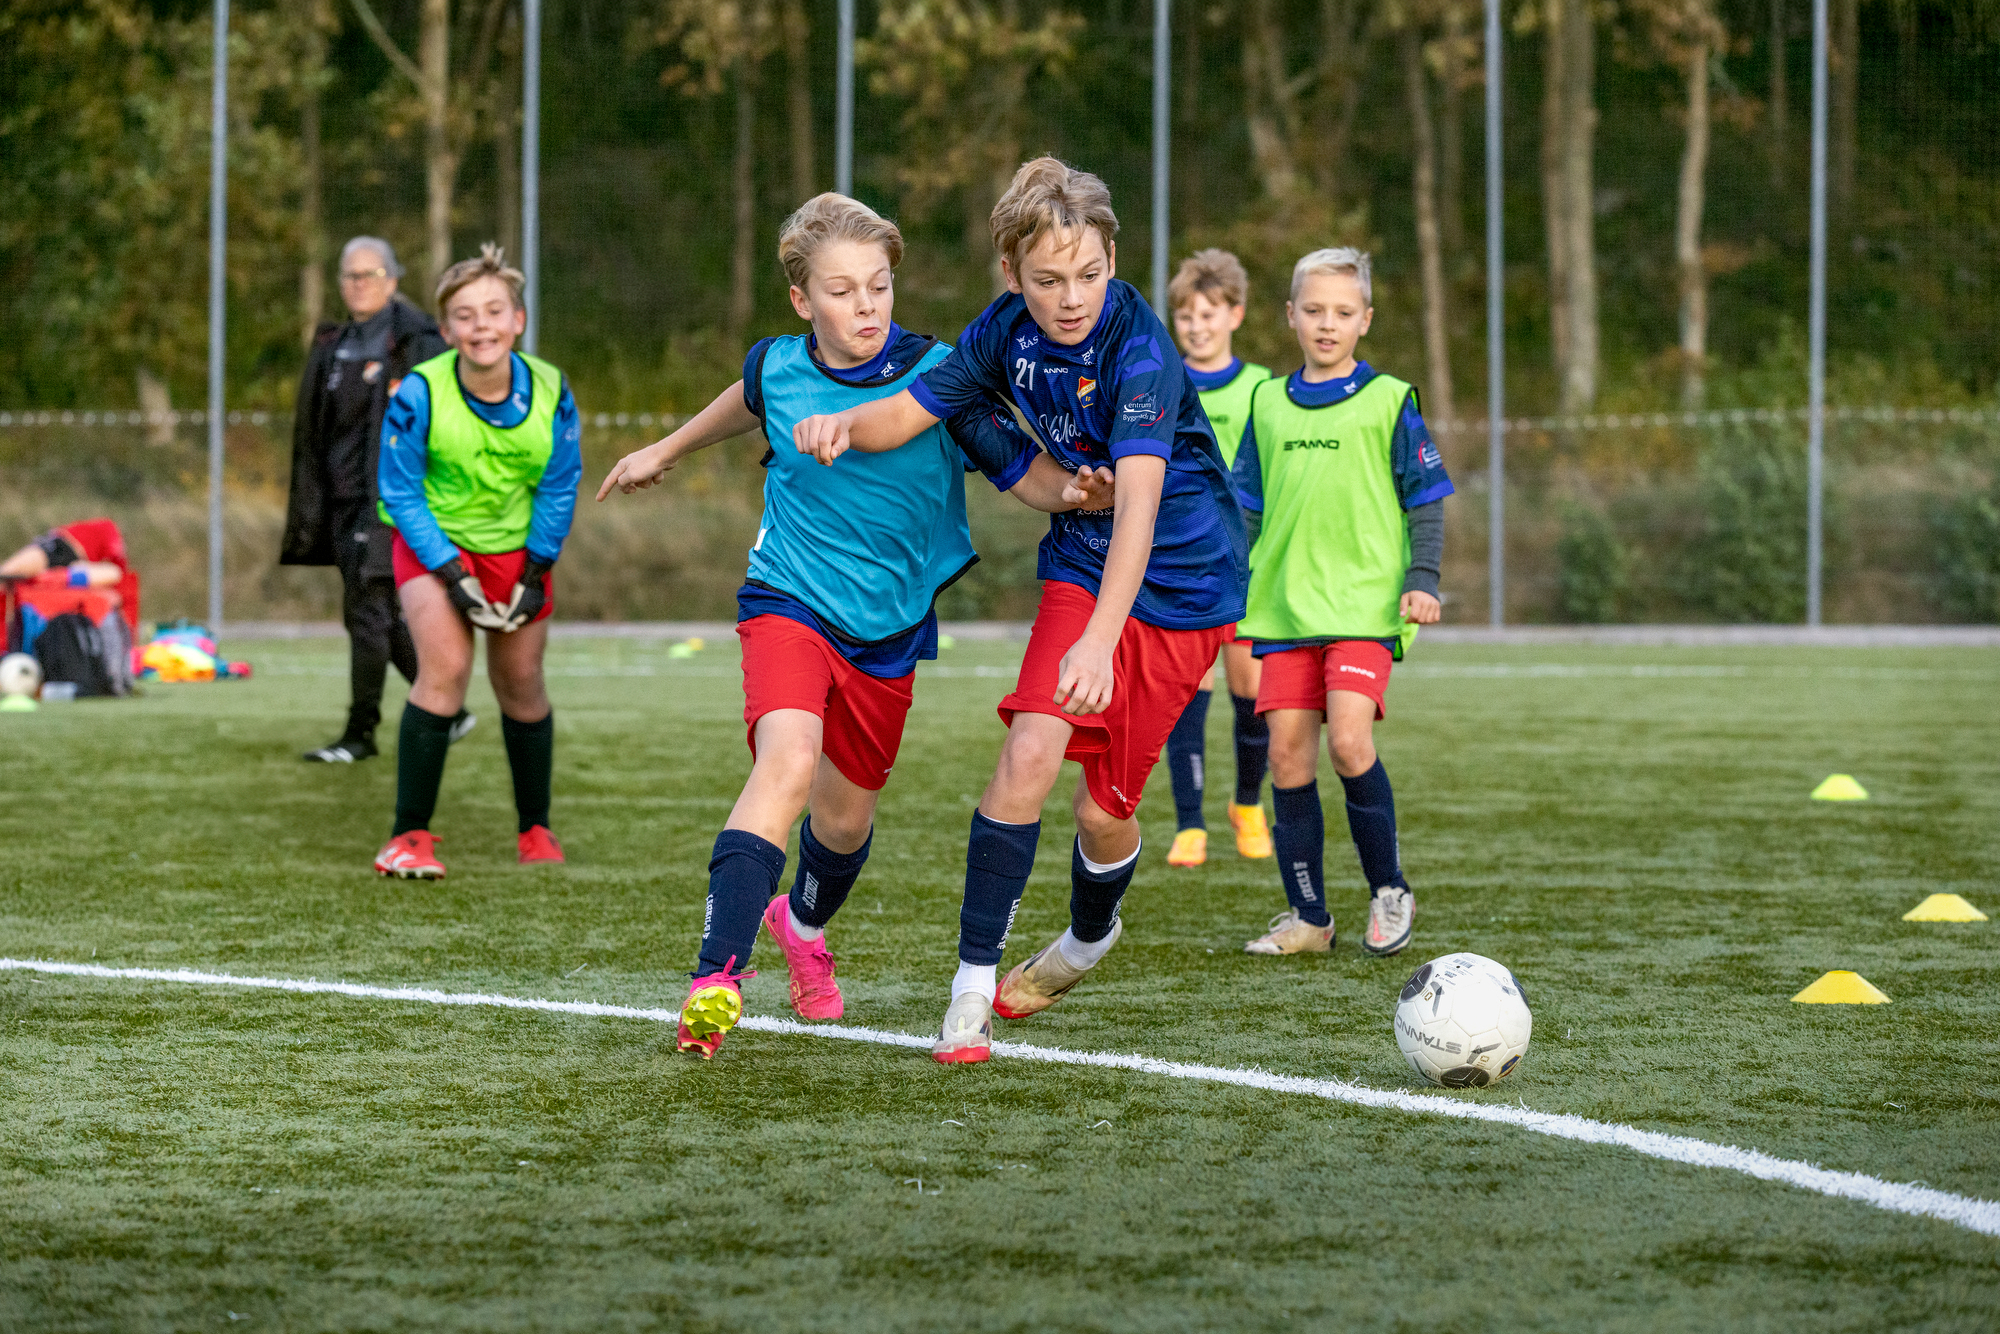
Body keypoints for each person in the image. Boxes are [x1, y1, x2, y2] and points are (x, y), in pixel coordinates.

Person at [597, 193, 1112, 1059]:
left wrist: (1070, 491)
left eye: (879, 286)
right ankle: (715, 978)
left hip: (891, 628)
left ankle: (801, 924)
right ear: (804, 302)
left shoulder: (944, 375)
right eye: (844, 291)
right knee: (787, 761)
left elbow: (1016, 465)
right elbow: (747, 396)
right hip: (788, 601)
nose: (867, 305)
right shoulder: (777, 365)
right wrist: (665, 449)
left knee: (841, 828)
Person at [792, 158, 1249, 1064]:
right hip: (1085, 556)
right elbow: (911, 411)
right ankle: (968, 997)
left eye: (1087, 274)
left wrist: (1101, 644)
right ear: (1011, 274)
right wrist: (844, 424)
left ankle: (1088, 937)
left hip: (1185, 582)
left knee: (1100, 812)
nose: (1070, 298)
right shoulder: (1002, 331)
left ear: (1113, 258)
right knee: (1027, 755)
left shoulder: (1141, 351)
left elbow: (1142, 510)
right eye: (1047, 280)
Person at [1231, 248, 1451, 959]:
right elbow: (1243, 509)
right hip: (1283, 610)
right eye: (1315, 311)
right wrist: (1218, 583)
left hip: (1362, 609)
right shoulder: (1266, 402)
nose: (1328, 325)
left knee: (1350, 742)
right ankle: (1310, 918)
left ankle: (1389, 888)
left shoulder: (1390, 401)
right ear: (1290, 315)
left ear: (1366, 321)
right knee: (1289, 760)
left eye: (1343, 313)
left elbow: (1426, 501)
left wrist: (1423, 578)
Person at [371, 244, 581, 879]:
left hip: (518, 550)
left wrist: (536, 570)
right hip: (434, 541)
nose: (481, 325)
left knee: (521, 683)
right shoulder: (419, 392)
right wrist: (453, 575)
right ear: (445, 330)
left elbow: (559, 484)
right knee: (447, 668)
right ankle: (407, 839)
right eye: (465, 315)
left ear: (517, 320)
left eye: (495, 311)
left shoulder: (550, 387)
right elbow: (400, 491)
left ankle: (535, 828)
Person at [282, 236, 464, 764]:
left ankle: (360, 734)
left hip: (388, 501)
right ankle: (447, 708)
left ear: (393, 279)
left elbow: (439, 419)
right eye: (349, 276)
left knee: (367, 614)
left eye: (369, 274)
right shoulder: (334, 342)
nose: (358, 285)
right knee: (375, 612)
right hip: (338, 501)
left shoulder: (417, 340)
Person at [1160, 249, 1276, 868]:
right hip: (1183, 562)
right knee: (1187, 691)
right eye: (1185, 315)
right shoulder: (1162, 381)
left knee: (1249, 688)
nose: (1196, 326)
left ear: (1235, 314)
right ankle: (1189, 824)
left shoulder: (1262, 389)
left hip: (1247, 563)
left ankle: (1248, 806)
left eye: (1208, 314)